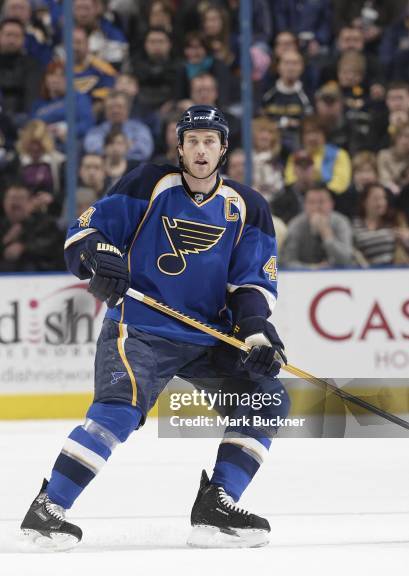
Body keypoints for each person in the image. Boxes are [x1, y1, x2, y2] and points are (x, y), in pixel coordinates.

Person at [20, 104, 289, 550]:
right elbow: (83, 234)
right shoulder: (149, 184)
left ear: (223, 149)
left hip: (207, 335)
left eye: (210, 141)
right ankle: (48, 509)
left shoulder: (248, 207)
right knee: (118, 411)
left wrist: (256, 330)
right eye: (193, 141)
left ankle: (217, 503)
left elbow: (250, 282)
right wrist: (100, 257)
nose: (201, 150)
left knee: (267, 397)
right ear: (179, 148)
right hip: (140, 328)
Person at [281, 184, 353, 268]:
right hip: (304, 276)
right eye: (312, 202)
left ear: (331, 204)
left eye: (322, 202)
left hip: (337, 275)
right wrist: (312, 268)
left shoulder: (341, 222)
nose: (317, 207)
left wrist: (328, 237)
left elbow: (346, 259)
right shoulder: (296, 225)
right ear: (305, 205)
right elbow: (287, 261)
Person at [84, 90, 154, 162]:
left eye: (119, 106)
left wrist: (108, 149)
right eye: (111, 107)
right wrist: (127, 146)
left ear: (128, 109)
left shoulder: (140, 129)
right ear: (105, 111)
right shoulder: (96, 131)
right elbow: (92, 149)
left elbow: (144, 152)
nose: (115, 111)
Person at [353, 182, 409, 265]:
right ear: (364, 202)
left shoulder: (395, 222)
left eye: (383, 198)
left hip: (395, 272)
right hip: (367, 273)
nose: (381, 203)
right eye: (376, 199)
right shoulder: (355, 225)